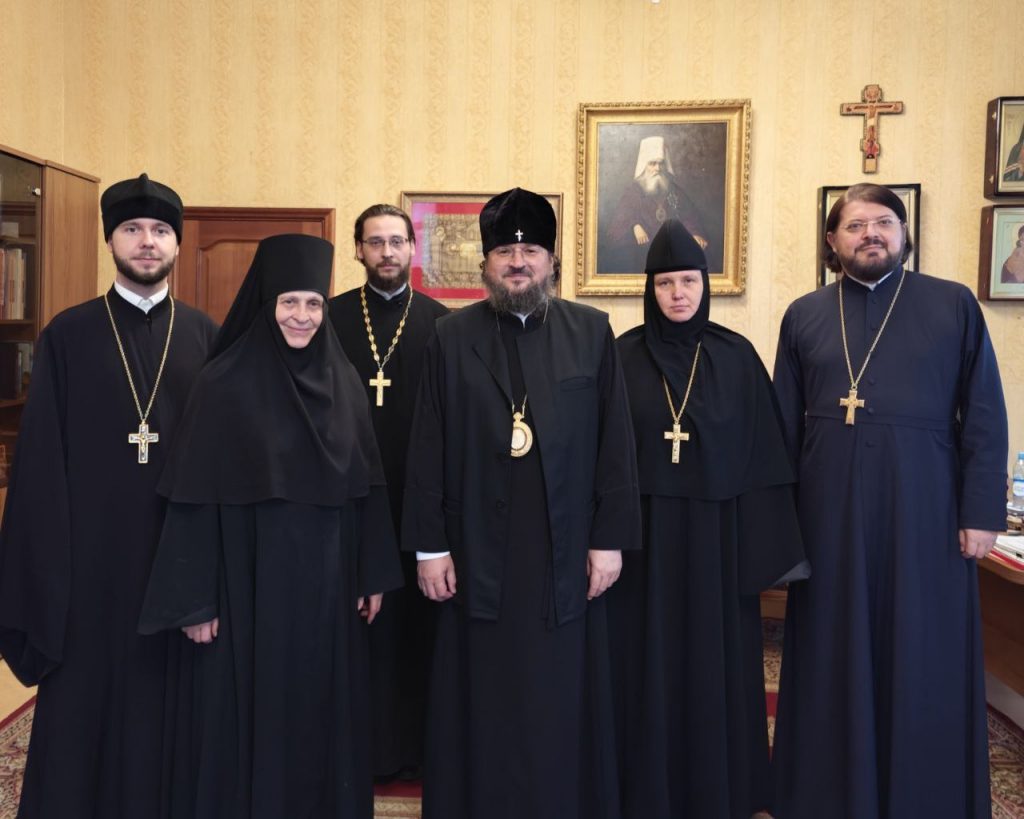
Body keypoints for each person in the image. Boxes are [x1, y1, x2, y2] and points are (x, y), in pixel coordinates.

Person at [138, 234, 403, 818]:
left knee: (320, 711)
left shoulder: (344, 383)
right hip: (245, 589)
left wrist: (371, 574)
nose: (302, 316)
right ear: (266, 305)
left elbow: (369, 487)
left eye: (313, 303)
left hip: (327, 591)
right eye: (289, 303)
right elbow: (193, 501)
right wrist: (196, 601)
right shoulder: (221, 384)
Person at [403, 187, 642, 819]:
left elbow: (615, 442)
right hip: (474, 550)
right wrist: (429, 548)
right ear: (485, 263)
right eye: (505, 252)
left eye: (531, 250)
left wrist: (609, 539)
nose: (518, 262)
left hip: (564, 550)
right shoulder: (450, 336)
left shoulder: (590, 332)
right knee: (483, 691)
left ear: (551, 260)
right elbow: (427, 444)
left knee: (557, 690)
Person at [772, 183, 1008, 818]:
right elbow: (781, 429)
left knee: (921, 652)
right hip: (827, 516)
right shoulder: (804, 314)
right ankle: (827, 796)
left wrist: (980, 512)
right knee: (832, 649)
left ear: (905, 234)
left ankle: (923, 797)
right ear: (832, 240)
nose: (871, 234)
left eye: (884, 222)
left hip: (925, 512)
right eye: (855, 225)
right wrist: (779, 524)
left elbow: (985, 413)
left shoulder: (953, 305)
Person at [0, 173, 217, 817]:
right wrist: (46, 576)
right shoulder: (67, 335)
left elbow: (225, 466)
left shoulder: (206, 338)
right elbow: (40, 467)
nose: (147, 242)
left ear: (177, 243)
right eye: (132, 229)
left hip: (176, 565)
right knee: (83, 717)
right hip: (87, 570)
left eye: (160, 231)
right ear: (110, 240)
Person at [608, 218, 807, 818]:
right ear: (650, 290)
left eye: (689, 281)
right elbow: (601, 455)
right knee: (642, 661)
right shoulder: (619, 357)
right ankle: (642, 792)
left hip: (718, 544)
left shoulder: (736, 356)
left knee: (714, 663)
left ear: (705, 284)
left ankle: (721, 789)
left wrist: (761, 553)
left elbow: (765, 458)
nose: (678, 294)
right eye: (665, 283)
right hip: (642, 542)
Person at [329, 204, 448, 781]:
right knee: (356, 629)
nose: (387, 252)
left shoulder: (443, 324)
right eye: (375, 242)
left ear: (412, 248)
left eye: (397, 241)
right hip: (347, 501)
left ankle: (417, 749)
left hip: (419, 501)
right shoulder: (328, 318)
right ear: (358, 249)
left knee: (417, 632)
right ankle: (357, 750)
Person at [605, 135, 708, 273]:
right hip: (642, 254)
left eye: (661, 163)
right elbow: (617, 226)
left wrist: (694, 233)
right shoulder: (633, 192)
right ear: (644, 166)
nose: (658, 168)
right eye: (652, 163)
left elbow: (688, 216)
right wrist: (635, 226)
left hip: (671, 254)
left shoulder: (673, 190)